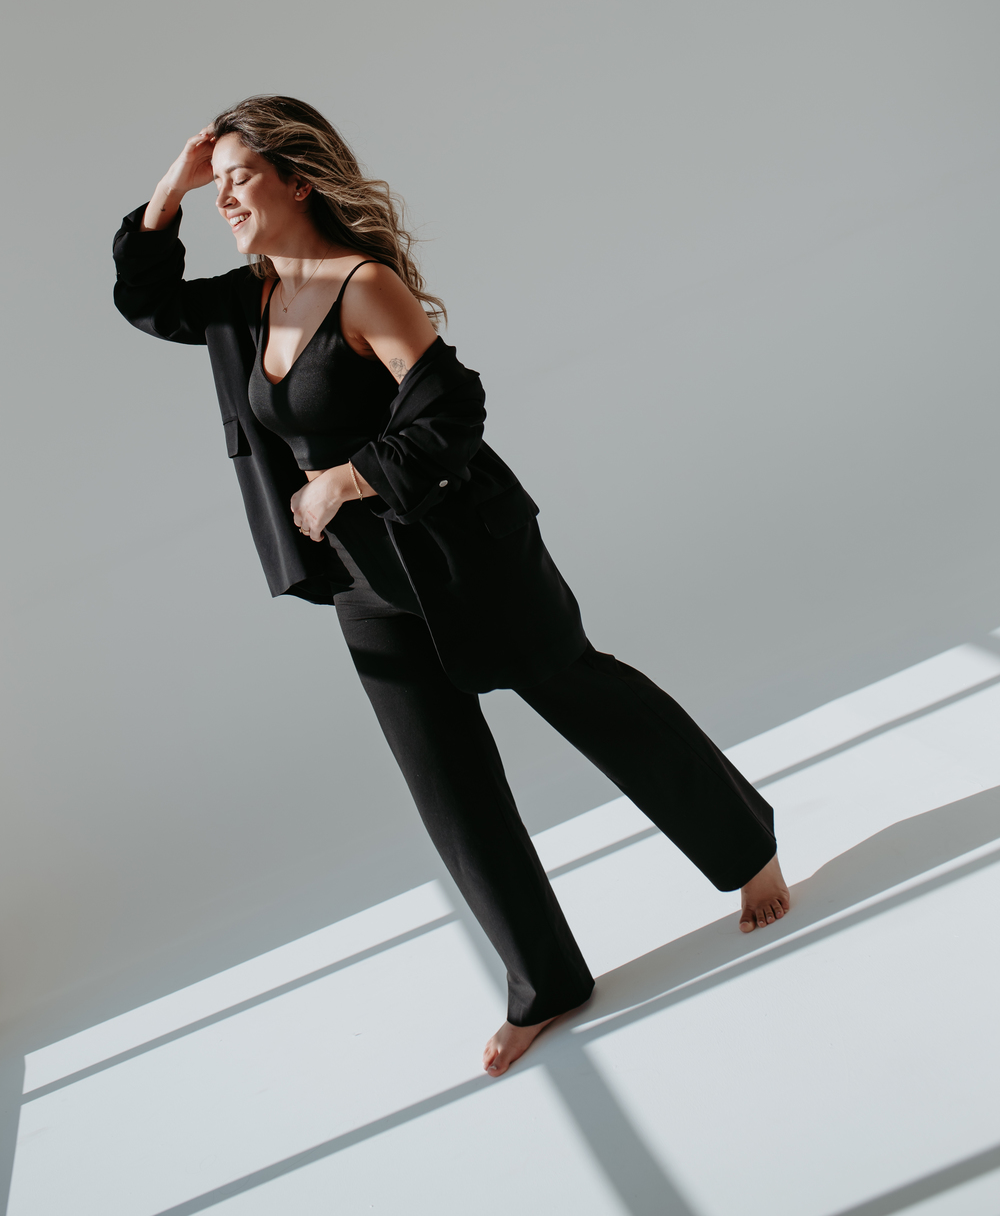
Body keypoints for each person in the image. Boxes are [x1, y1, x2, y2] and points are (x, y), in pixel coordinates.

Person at [112, 94, 790, 1077]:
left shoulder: (363, 286)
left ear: (299, 179)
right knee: (450, 790)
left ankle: (747, 850)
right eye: (214, 185)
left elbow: (453, 411)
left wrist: (344, 479)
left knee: (593, 702)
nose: (224, 199)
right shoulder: (249, 300)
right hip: (365, 584)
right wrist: (170, 188)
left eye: (239, 177)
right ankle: (545, 981)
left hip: (469, 556)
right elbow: (147, 301)